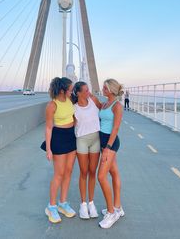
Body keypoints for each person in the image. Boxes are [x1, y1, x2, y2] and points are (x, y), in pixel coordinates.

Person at [44, 77, 76, 223]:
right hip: (59, 138)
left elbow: (73, 115)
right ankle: (51, 206)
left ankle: (63, 203)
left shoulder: (70, 100)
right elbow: (49, 128)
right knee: (59, 173)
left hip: (71, 137)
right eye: (70, 89)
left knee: (68, 171)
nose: (72, 91)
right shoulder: (52, 105)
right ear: (63, 90)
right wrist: (49, 149)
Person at [71, 82, 101, 219]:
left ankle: (91, 203)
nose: (89, 92)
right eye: (86, 90)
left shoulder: (93, 100)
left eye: (89, 89)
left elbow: (105, 110)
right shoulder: (74, 108)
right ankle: (83, 204)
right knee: (83, 172)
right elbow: (69, 124)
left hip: (96, 139)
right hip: (82, 140)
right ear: (78, 93)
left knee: (92, 171)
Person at [98, 78, 125, 229]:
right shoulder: (105, 103)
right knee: (114, 172)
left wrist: (107, 148)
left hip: (111, 143)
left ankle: (111, 213)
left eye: (105, 88)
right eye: (103, 87)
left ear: (112, 90)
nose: (103, 90)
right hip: (103, 142)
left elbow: (115, 129)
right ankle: (118, 207)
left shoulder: (117, 106)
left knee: (101, 176)